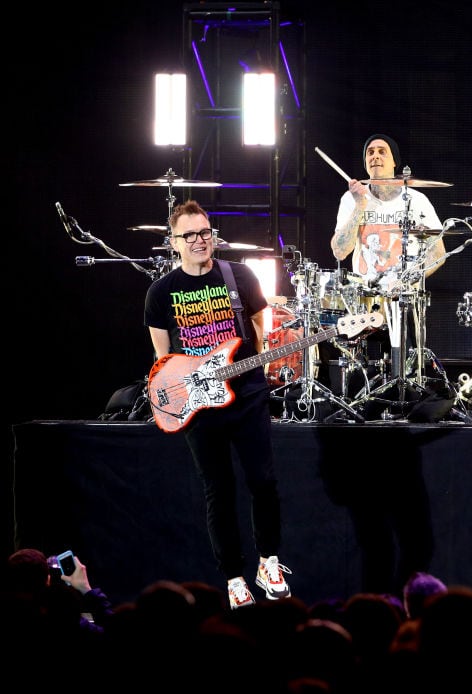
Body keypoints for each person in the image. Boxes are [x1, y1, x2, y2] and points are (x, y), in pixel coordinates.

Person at [144, 199, 292, 609]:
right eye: (189, 235)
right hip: (199, 405)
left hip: (246, 394)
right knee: (219, 490)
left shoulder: (238, 275)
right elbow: (162, 361)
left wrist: (261, 368)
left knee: (263, 481)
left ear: (213, 235)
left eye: (204, 232)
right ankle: (233, 579)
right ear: (174, 242)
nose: (198, 240)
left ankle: (269, 561)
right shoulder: (161, 293)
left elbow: (261, 327)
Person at [330, 133, 446, 288]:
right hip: (363, 297)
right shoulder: (352, 198)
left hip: (405, 297)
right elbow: (340, 251)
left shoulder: (418, 200)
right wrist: (359, 206)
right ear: (366, 163)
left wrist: (406, 282)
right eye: (370, 153)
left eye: (382, 152)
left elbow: (438, 253)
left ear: (394, 162)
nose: (375, 156)